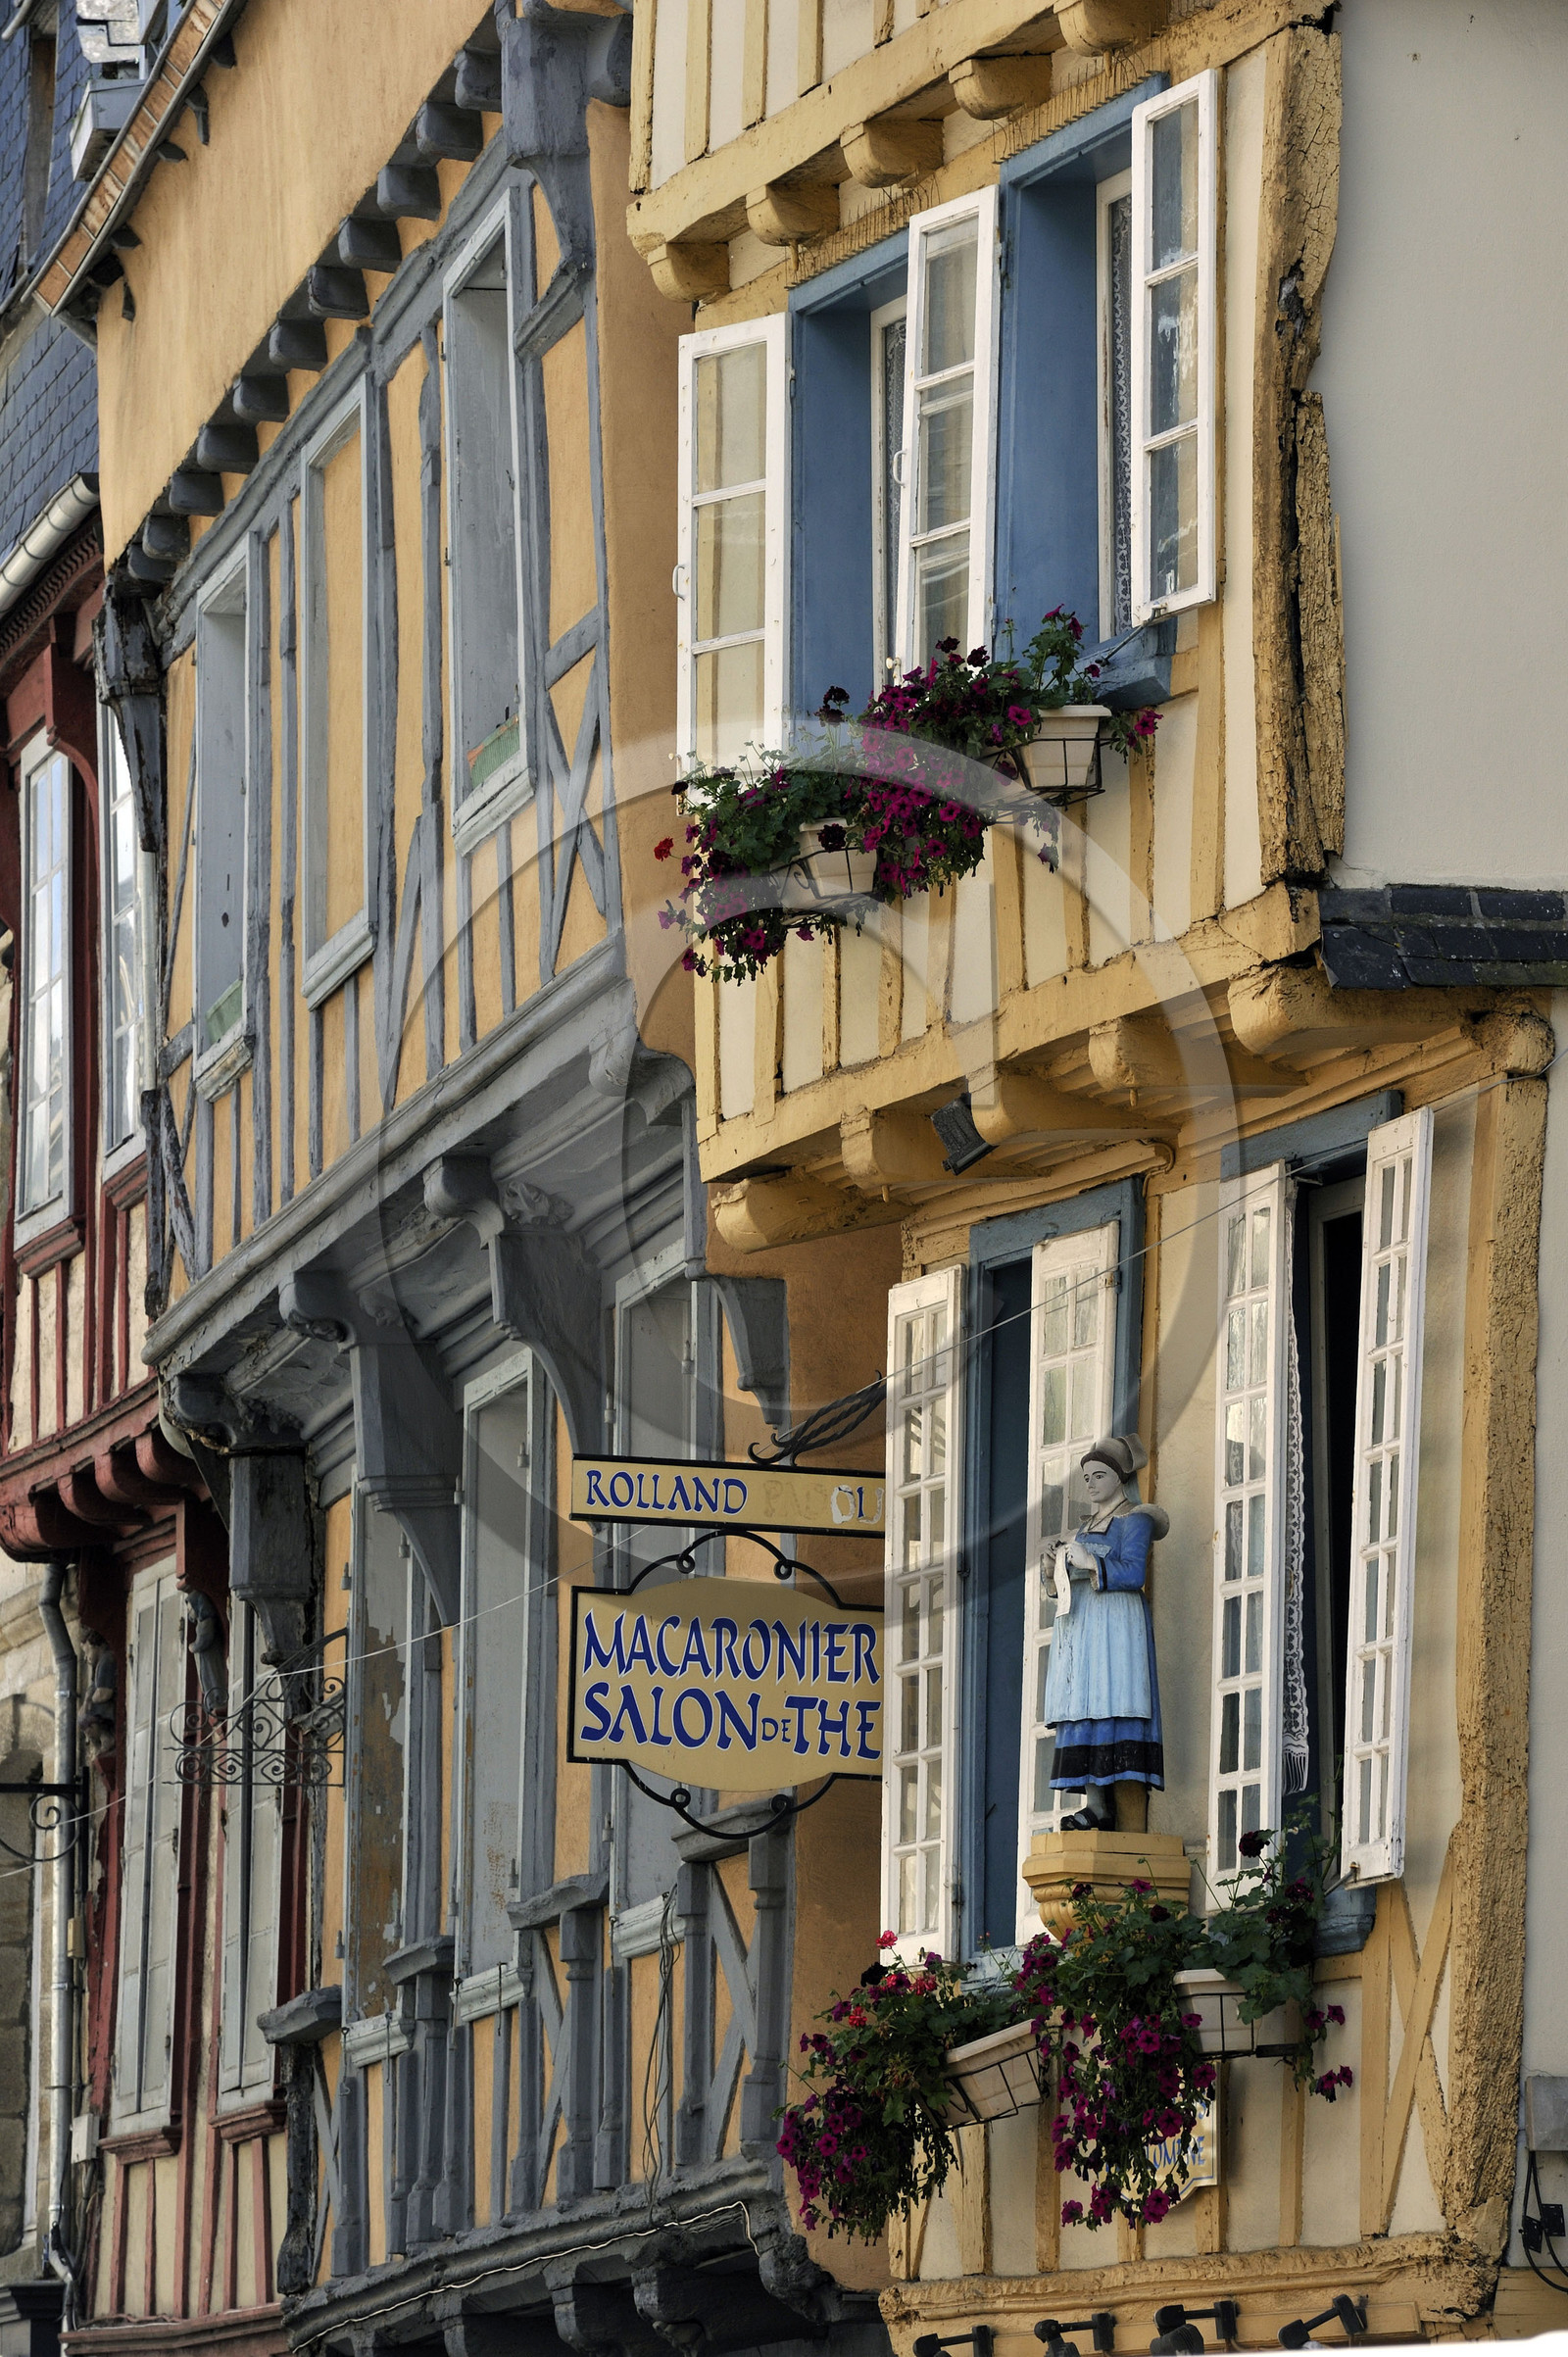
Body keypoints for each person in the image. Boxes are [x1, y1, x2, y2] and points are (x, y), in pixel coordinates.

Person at [1042, 1432, 1167, 1834]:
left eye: (1099, 1475)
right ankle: (1096, 1806)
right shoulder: (1083, 1528)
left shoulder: (1136, 1519)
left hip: (1117, 1625)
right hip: (1083, 1626)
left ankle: (1123, 1809)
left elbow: (1133, 1572)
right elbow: (1065, 1581)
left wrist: (1091, 1562)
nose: (1091, 1484)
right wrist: (1054, 1570)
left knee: (1115, 1698)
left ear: (1118, 1478)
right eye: (1087, 1477)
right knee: (1084, 1702)